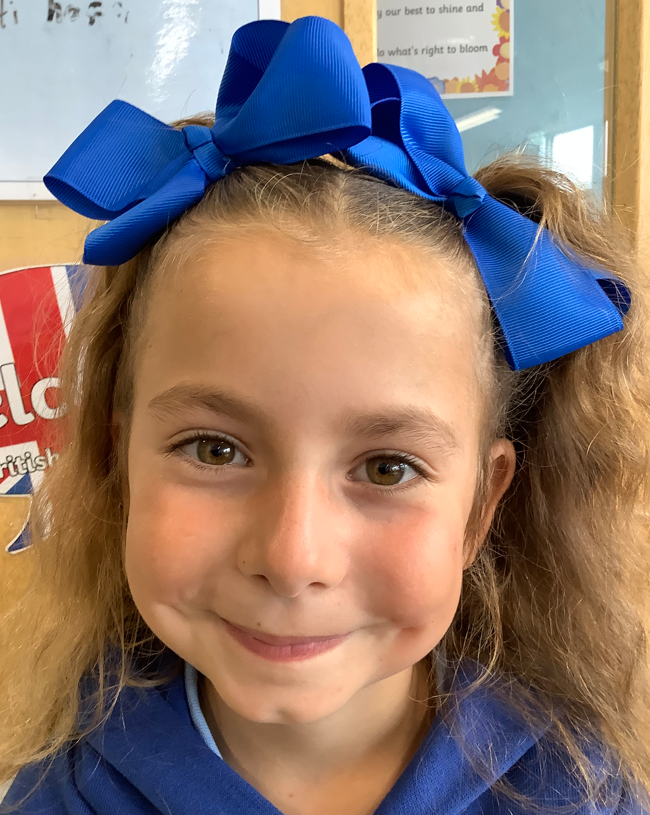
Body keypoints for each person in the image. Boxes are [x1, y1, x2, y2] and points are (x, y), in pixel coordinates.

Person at [1, 15, 649, 815]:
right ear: (120, 457)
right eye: (214, 449)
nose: (292, 556)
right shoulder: (56, 795)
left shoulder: (582, 793)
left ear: (481, 505)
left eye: (387, 467)